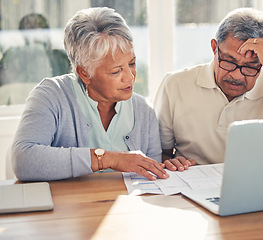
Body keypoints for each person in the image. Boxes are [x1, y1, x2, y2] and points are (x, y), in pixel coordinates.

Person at [11, 7, 169, 181]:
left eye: (132, 64)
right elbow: (24, 161)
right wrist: (107, 159)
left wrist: (170, 166)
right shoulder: (50, 96)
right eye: (116, 71)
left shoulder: (143, 110)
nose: (130, 77)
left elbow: (153, 176)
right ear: (84, 73)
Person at [154, 8, 263, 171]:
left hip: (256, 187)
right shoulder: (174, 84)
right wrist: (168, 162)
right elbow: (159, 153)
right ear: (214, 48)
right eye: (229, 61)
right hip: (189, 186)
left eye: (250, 66)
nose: (236, 76)